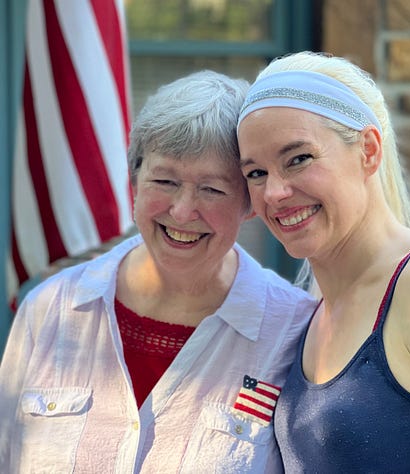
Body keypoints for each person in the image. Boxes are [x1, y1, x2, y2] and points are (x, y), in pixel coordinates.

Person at [0, 70, 316, 473]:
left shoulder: (294, 333)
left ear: (250, 202)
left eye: (212, 189)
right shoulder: (49, 309)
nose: (183, 211)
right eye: (164, 181)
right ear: (134, 181)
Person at [237, 51, 410, 472]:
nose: (274, 192)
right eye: (256, 173)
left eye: (298, 159)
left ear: (368, 149)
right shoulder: (311, 314)